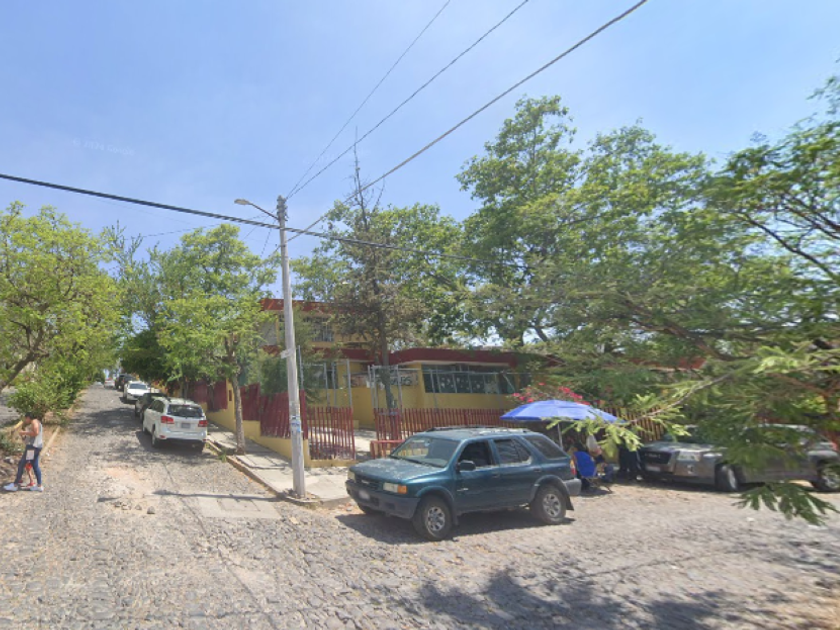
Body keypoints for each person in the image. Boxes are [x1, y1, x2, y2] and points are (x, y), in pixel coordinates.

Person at [3, 412, 44, 492]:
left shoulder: (34, 422)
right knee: (35, 465)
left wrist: (24, 432)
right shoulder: (37, 422)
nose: (25, 420)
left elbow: (36, 433)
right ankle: (39, 486)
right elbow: (30, 438)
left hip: (32, 448)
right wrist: (23, 436)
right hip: (37, 447)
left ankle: (15, 485)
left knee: (21, 464)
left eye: (26, 418)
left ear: (28, 417)